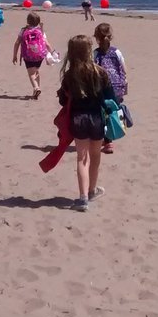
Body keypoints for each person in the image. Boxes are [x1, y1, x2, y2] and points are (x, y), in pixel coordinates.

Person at [58, 34, 115, 211]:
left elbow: (62, 100)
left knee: (82, 158)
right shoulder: (100, 72)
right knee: (95, 156)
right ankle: (91, 190)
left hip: (78, 118)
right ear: (89, 51)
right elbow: (111, 98)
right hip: (97, 118)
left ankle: (83, 198)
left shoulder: (69, 75)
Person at [93, 23, 128, 155]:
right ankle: (111, 136)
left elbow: (93, 69)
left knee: (104, 113)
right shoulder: (116, 51)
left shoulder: (96, 53)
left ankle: (108, 142)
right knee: (113, 111)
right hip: (118, 86)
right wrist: (124, 82)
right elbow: (123, 68)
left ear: (97, 38)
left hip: (103, 88)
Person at [12, 12, 52, 98]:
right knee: (36, 70)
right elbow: (47, 44)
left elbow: (17, 43)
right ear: (38, 21)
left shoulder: (23, 30)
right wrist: (51, 53)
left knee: (31, 74)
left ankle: (36, 88)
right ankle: (37, 89)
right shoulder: (40, 31)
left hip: (28, 55)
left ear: (27, 21)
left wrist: (14, 55)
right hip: (40, 55)